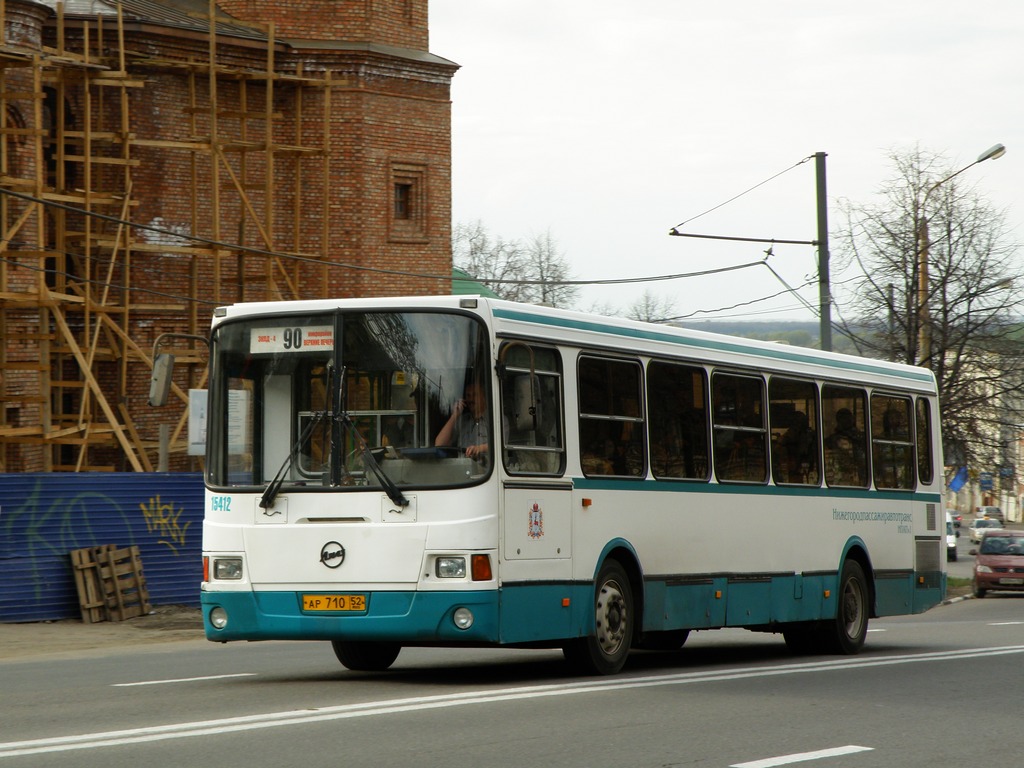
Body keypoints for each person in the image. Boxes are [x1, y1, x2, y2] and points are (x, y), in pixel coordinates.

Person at [435, 380, 490, 461]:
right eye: (468, 395)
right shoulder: (462, 421)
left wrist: (479, 448)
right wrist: (454, 415)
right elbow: (439, 444)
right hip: (462, 469)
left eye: (474, 395)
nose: (471, 399)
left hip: (488, 471)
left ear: (484, 397)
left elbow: (499, 445)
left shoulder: (496, 420)